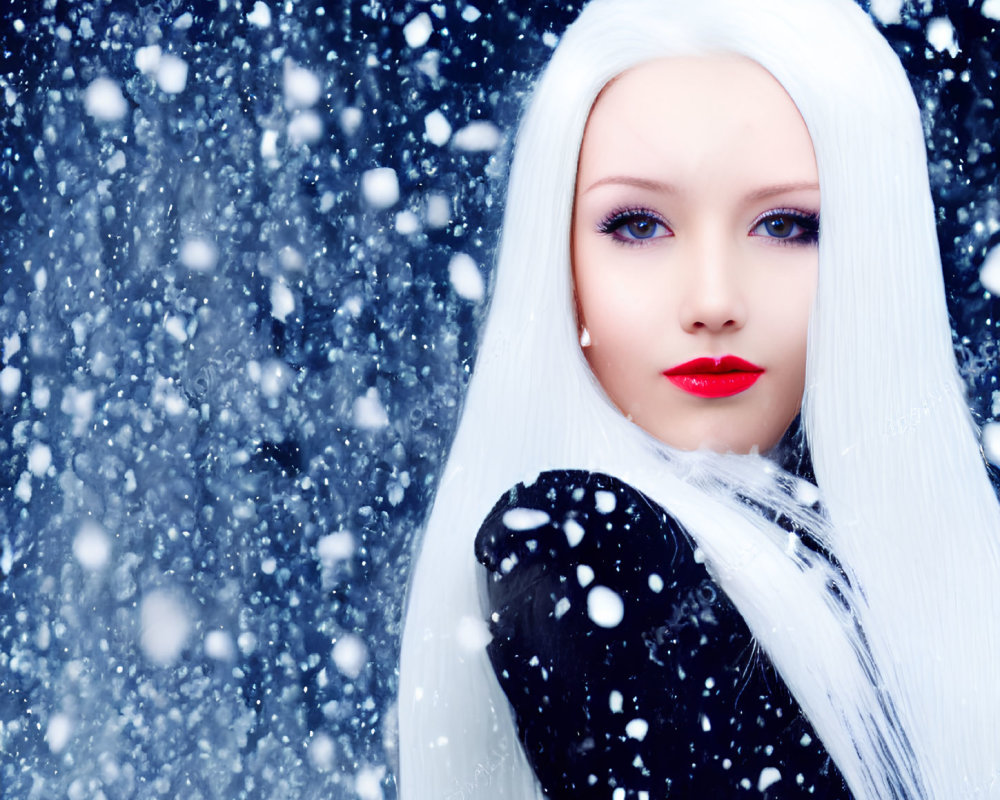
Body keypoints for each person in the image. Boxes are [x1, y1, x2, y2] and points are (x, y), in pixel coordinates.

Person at [398, 0, 1000, 797]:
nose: (713, 301)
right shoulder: (583, 551)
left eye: (785, 225)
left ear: (872, 247)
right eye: (640, 225)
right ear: (560, 259)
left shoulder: (907, 575)